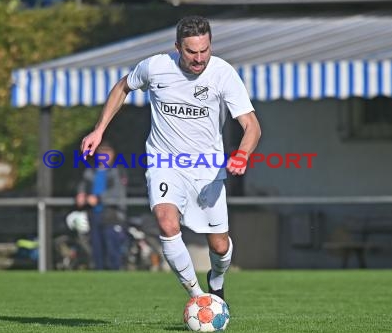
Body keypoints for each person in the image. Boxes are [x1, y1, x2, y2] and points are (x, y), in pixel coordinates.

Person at [80, 15, 261, 300]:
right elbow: (122, 87)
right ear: (177, 47)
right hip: (165, 164)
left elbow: (251, 126)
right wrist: (99, 130)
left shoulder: (223, 73)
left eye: (205, 50)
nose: (199, 58)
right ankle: (198, 297)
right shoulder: (155, 67)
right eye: (192, 52)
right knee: (166, 222)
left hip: (207, 171)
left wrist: (242, 154)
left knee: (220, 247)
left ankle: (216, 280)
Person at [75, 142, 128, 270]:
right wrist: (81, 194)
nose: (104, 155)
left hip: (112, 214)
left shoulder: (117, 171)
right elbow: (83, 185)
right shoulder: (90, 171)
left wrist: (98, 198)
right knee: (96, 248)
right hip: (94, 214)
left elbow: (118, 192)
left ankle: (115, 277)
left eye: (107, 152)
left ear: (113, 155)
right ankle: (99, 276)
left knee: (112, 249)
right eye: (101, 152)